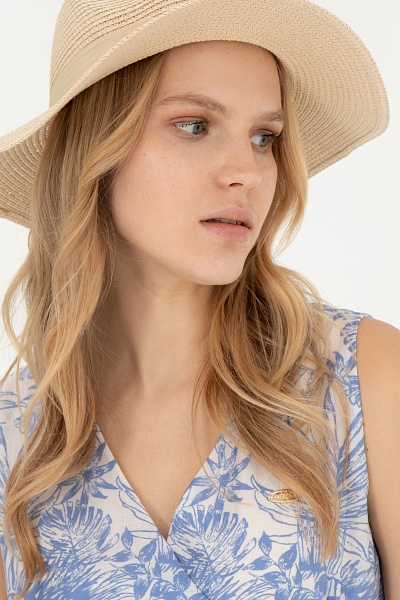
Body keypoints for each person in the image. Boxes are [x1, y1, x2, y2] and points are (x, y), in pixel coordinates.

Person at [0, 0, 398, 598]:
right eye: (194, 125)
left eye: (264, 138)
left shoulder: (360, 379)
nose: (248, 172)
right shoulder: (16, 446)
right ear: (95, 148)